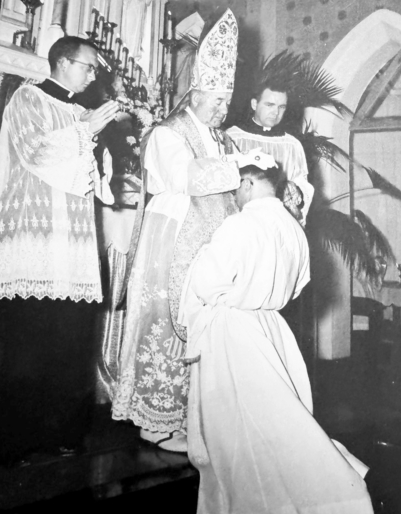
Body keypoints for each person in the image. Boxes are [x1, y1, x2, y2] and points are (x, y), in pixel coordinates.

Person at [111, 9, 271, 452]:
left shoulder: (222, 139)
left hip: (209, 241)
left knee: (204, 326)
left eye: (226, 100)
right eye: (216, 100)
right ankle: (156, 421)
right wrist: (238, 165)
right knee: (164, 321)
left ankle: (191, 416)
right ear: (196, 93)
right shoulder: (168, 133)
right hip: (172, 236)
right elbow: (185, 178)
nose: (223, 109)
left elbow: (236, 184)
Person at [179, 163, 374, 513]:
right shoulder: (293, 228)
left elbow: (206, 281)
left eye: (236, 190)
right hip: (272, 326)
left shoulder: (240, 224)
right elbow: (298, 286)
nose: (235, 198)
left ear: (247, 183)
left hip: (233, 328)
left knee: (235, 430)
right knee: (276, 420)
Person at [0, 36, 119, 465]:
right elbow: (36, 151)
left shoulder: (79, 111)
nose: (93, 74)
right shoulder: (26, 98)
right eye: (89, 66)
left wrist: (94, 138)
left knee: (70, 339)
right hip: (34, 238)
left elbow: (95, 177)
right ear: (64, 62)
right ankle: (16, 440)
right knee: (27, 342)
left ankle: (62, 432)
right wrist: (86, 131)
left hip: (74, 243)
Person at [227, 79, 314, 225]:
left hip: (278, 222)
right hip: (242, 222)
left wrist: (296, 191)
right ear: (254, 104)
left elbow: (303, 185)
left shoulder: (292, 145)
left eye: (282, 107)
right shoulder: (233, 137)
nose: (276, 112)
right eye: (269, 105)